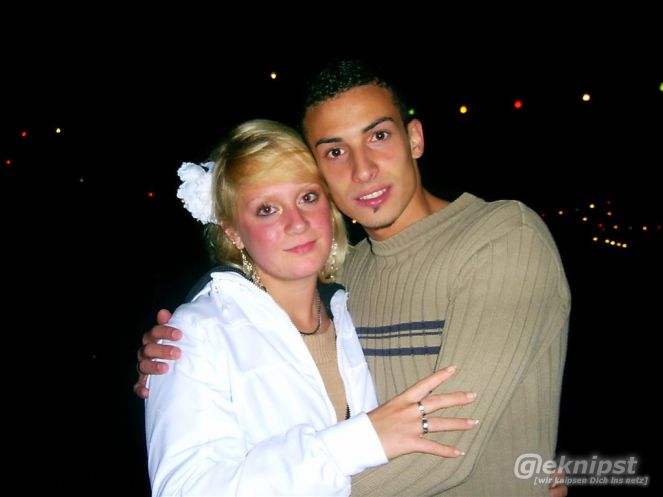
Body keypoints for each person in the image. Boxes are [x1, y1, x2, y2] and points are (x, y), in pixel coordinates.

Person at [137, 60, 570, 496]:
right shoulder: (346, 279)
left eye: (378, 136)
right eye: (335, 152)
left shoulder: (499, 239)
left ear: (414, 138)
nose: (362, 170)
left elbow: (449, 443)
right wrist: (184, 361)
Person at [144, 119, 479, 497]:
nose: (298, 223)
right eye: (267, 209)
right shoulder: (200, 332)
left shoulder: (354, 308)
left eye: (307, 197)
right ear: (233, 231)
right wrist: (360, 440)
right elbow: (184, 490)